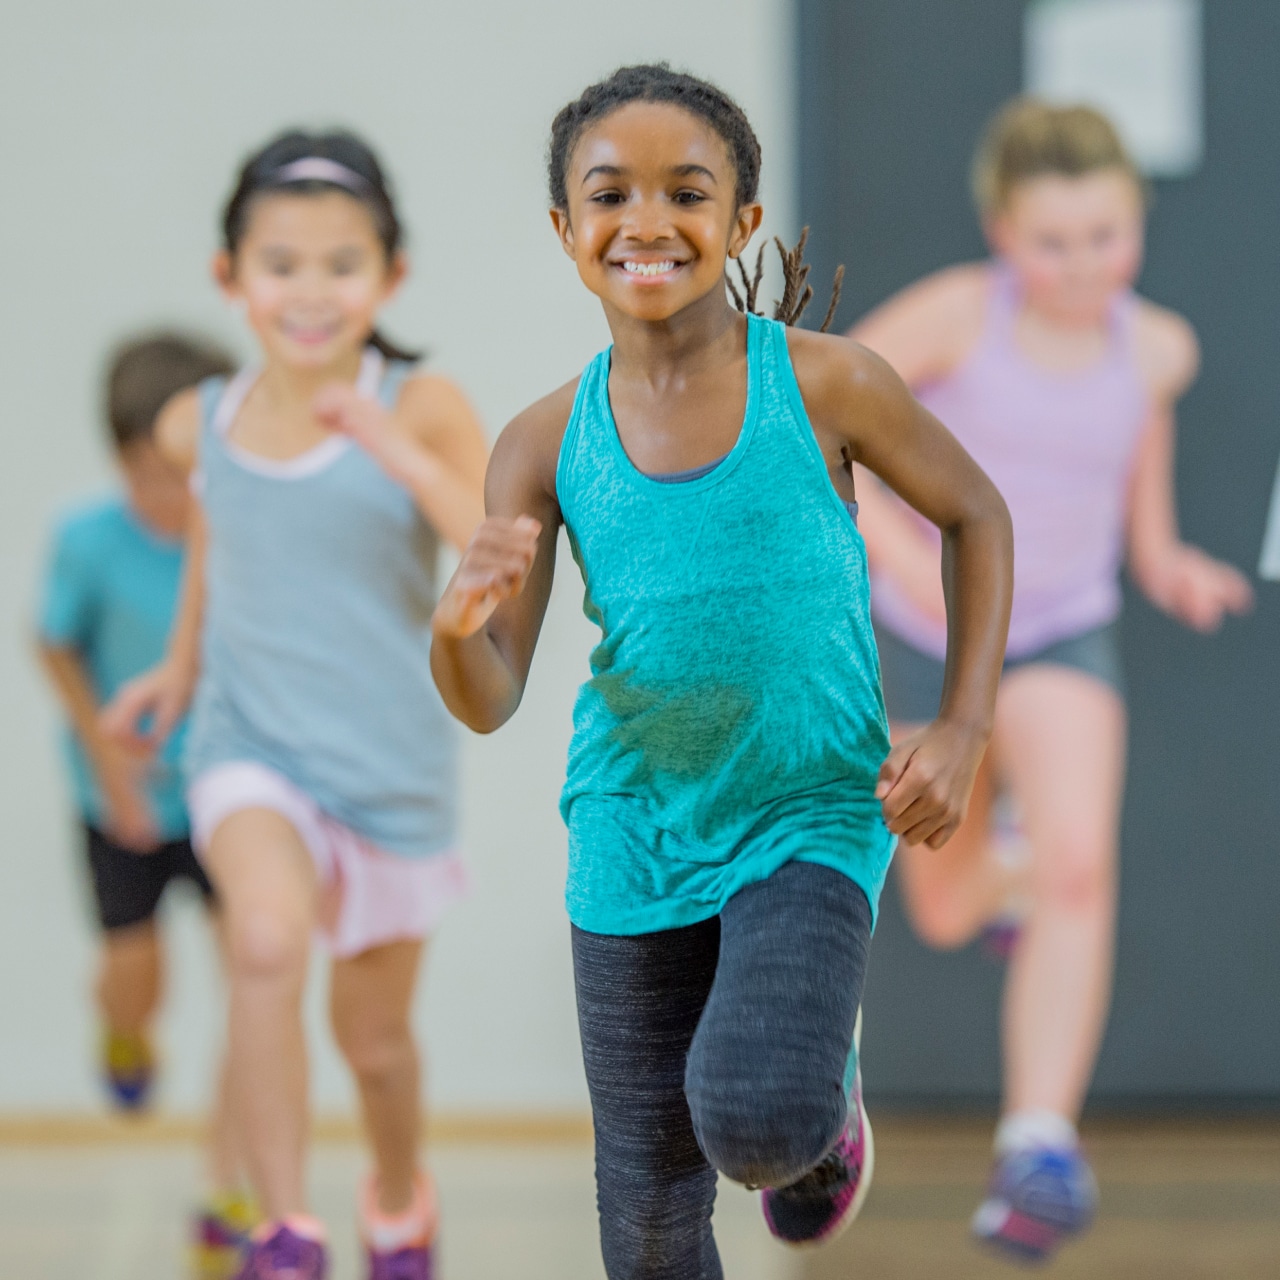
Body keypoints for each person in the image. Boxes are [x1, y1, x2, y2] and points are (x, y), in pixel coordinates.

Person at [426, 64, 1014, 1280]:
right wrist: (452, 630)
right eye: (610, 195)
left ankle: (818, 1122)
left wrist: (961, 726)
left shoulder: (824, 381)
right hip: (633, 828)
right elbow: (491, 694)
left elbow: (976, 515)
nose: (646, 220)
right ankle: (793, 1113)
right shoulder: (539, 444)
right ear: (565, 231)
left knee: (752, 1113)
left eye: (686, 192)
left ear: (741, 221)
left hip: (804, 805)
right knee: (644, 1230)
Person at [847, 98, 1254, 1264]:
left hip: (1061, 629)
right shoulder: (955, 316)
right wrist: (903, 554)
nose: (1081, 266)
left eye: (1104, 236)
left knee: (1084, 861)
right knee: (938, 899)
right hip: (926, 630)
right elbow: (822, 421)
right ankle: (1000, 866)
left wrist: (1165, 556)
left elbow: (1130, 457)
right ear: (1000, 232)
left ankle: (1037, 1140)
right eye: (1052, 241)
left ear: (1135, 224)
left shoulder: (1155, 346)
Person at [103, 130, 488, 1280]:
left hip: (389, 767)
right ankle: (282, 1224)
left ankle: (395, 1192)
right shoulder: (197, 421)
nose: (310, 292)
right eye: (280, 264)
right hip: (248, 744)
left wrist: (390, 450)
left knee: (371, 1044)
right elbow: (218, 538)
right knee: (263, 938)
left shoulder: (421, 404)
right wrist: (179, 668)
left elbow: (490, 551)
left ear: (389, 276)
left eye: (340, 264)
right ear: (230, 279)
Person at [37, 332, 260, 1278]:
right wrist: (111, 767)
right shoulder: (87, 541)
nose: (171, 492)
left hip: (220, 791)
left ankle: (228, 1192)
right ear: (121, 457)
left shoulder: (240, 534)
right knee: (140, 980)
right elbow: (56, 646)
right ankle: (122, 1028)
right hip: (118, 799)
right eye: (150, 471)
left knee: (254, 986)